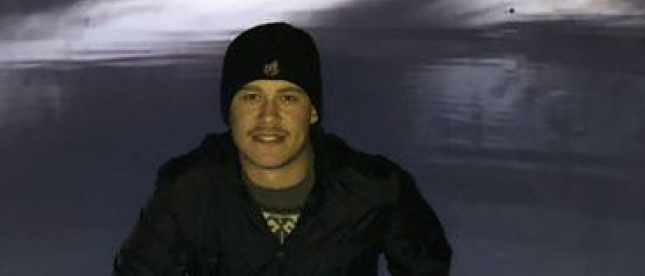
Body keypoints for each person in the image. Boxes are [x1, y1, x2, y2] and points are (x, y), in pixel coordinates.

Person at [112, 22, 452, 276]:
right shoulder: (187, 190)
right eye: (251, 97)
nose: (268, 116)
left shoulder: (378, 189)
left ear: (313, 110)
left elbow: (428, 268)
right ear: (228, 111)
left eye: (288, 97)